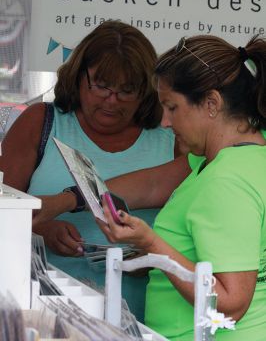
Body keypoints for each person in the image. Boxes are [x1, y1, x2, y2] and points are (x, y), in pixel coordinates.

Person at [0, 20, 191, 322]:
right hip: (42, 314)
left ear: (147, 91)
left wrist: (154, 257)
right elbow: (3, 210)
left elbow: (192, 229)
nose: (112, 100)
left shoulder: (173, 137)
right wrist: (41, 231)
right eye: (101, 86)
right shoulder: (41, 122)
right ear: (77, 77)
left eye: (127, 91)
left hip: (142, 318)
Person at [98, 34, 266, 340]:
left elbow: (230, 303)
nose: (164, 122)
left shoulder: (226, 180)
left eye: (172, 107)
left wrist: (152, 245)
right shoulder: (240, 158)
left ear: (211, 103)